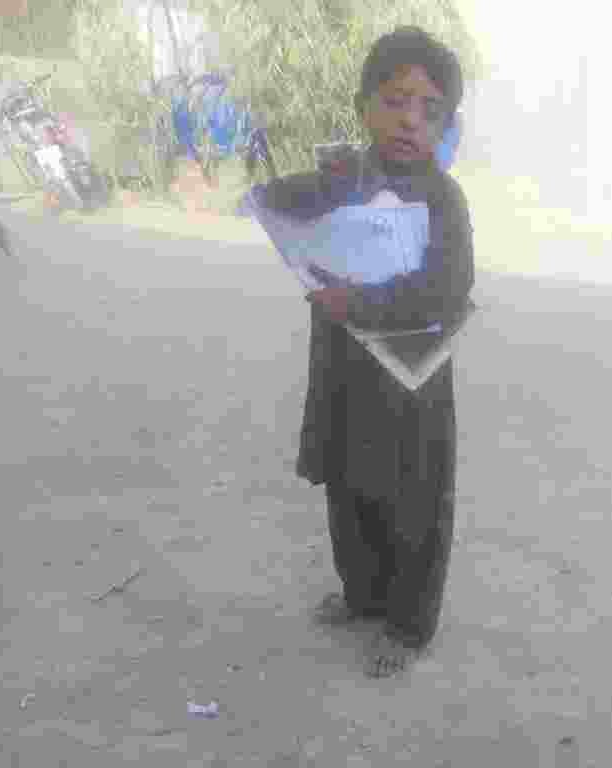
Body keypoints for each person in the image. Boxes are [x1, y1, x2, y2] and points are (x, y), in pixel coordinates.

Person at [248, 26, 472, 678]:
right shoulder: (346, 178)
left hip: (410, 386)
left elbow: (450, 291)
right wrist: (270, 201)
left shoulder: (443, 200)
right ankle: (363, 594)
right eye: (396, 100)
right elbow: (302, 222)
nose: (410, 120)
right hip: (345, 374)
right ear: (364, 106)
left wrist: (364, 306)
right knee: (349, 490)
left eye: (429, 110)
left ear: (445, 125)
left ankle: (407, 625)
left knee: (413, 503)